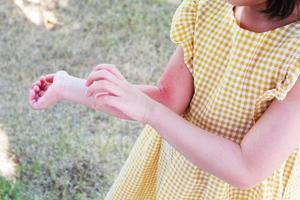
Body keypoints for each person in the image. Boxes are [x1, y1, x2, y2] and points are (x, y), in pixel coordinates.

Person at [28, 0, 300, 199]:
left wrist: (151, 113)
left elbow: (246, 168)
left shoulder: (295, 55)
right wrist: (68, 87)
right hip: (175, 177)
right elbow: (168, 98)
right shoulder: (208, 8)